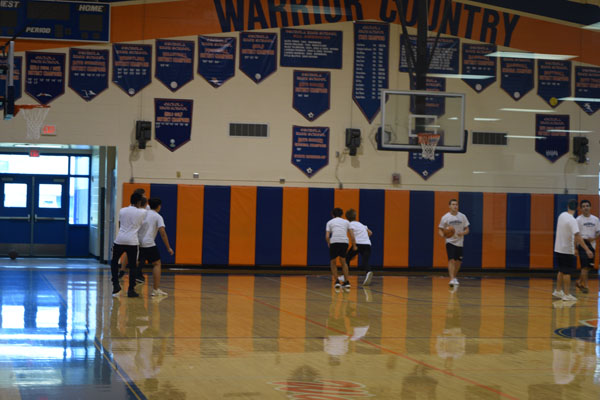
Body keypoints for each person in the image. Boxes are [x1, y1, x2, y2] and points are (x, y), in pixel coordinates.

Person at [553, 199, 593, 302]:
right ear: (577, 208)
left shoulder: (562, 215)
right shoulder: (572, 220)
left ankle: (558, 290)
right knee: (567, 273)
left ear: (567, 206)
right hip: (567, 250)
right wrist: (587, 249)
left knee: (561, 270)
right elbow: (578, 237)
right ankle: (567, 294)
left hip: (558, 248)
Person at [111, 191, 147, 297]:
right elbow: (145, 208)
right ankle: (131, 289)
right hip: (132, 241)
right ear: (140, 201)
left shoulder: (122, 210)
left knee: (114, 262)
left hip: (119, 239)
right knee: (132, 266)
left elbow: (120, 224)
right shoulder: (142, 212)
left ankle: (115, 284)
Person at [138, 198, 174, 297]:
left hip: (137, 242)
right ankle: (155, 289)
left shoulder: (143, 213)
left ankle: (131, 288)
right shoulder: (158, 217)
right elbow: (162, 232)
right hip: (148, 243)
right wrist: (168, 247)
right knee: (157, 264)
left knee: (136, 264)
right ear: (159, 206)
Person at [438, 199, 469, 287]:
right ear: (449, 206)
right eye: (453, 204)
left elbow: (467, 229)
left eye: (456, 204)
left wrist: (462, 233)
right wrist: (443, 235)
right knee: (451, 259)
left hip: (460, 241)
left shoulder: (462, 216)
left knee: (458, 261)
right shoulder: (445, 217)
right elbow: (440, 229)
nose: (455, 206)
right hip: (450, 241)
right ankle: (451, 279)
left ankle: (454, 277)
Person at [119, 188, 149, 282]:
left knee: (129, 254)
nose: (145, 196)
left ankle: (123, 271)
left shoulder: (128, 208)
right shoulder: (144, 209)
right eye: (144, 195)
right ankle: (136, 274)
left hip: (129, 234)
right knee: (137, 256)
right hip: (136, 234)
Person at [575, 199, 600, 294]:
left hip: (592, 245)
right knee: (585, 267)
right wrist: (576, 248)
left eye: (587, 206)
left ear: (590, 207)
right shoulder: (578, 220)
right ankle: (585, 286)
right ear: (581, 208)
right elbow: (576, 235)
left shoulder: (595, 219)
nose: (586, 208)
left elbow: (598, 232)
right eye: (584, 206)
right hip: (582, 244)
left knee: (589, 267)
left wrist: (593, 239)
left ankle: (578, 282)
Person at [345, 209, 373, 286]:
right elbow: (370, 233)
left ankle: (345, 276)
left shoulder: (350, 225)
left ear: (347, 218)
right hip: (367, 244)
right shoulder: (361, 224)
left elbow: (352, 236)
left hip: (358, 243)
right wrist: (363, 237)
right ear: (355, 216)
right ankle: (368, 271)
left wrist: (354, 246)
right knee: (365, 261)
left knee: (347, 258)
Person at [326, 207, 351, 289]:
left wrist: (329, 243)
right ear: (342, 214)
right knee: (343, 261)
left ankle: (337, 281)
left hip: (334, 241)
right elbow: (351, 233)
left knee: (333, 262)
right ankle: (347, 282)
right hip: (344, 242)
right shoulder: (346, 222)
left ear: (332, 215)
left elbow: (327, 236)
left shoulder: (330, 222)